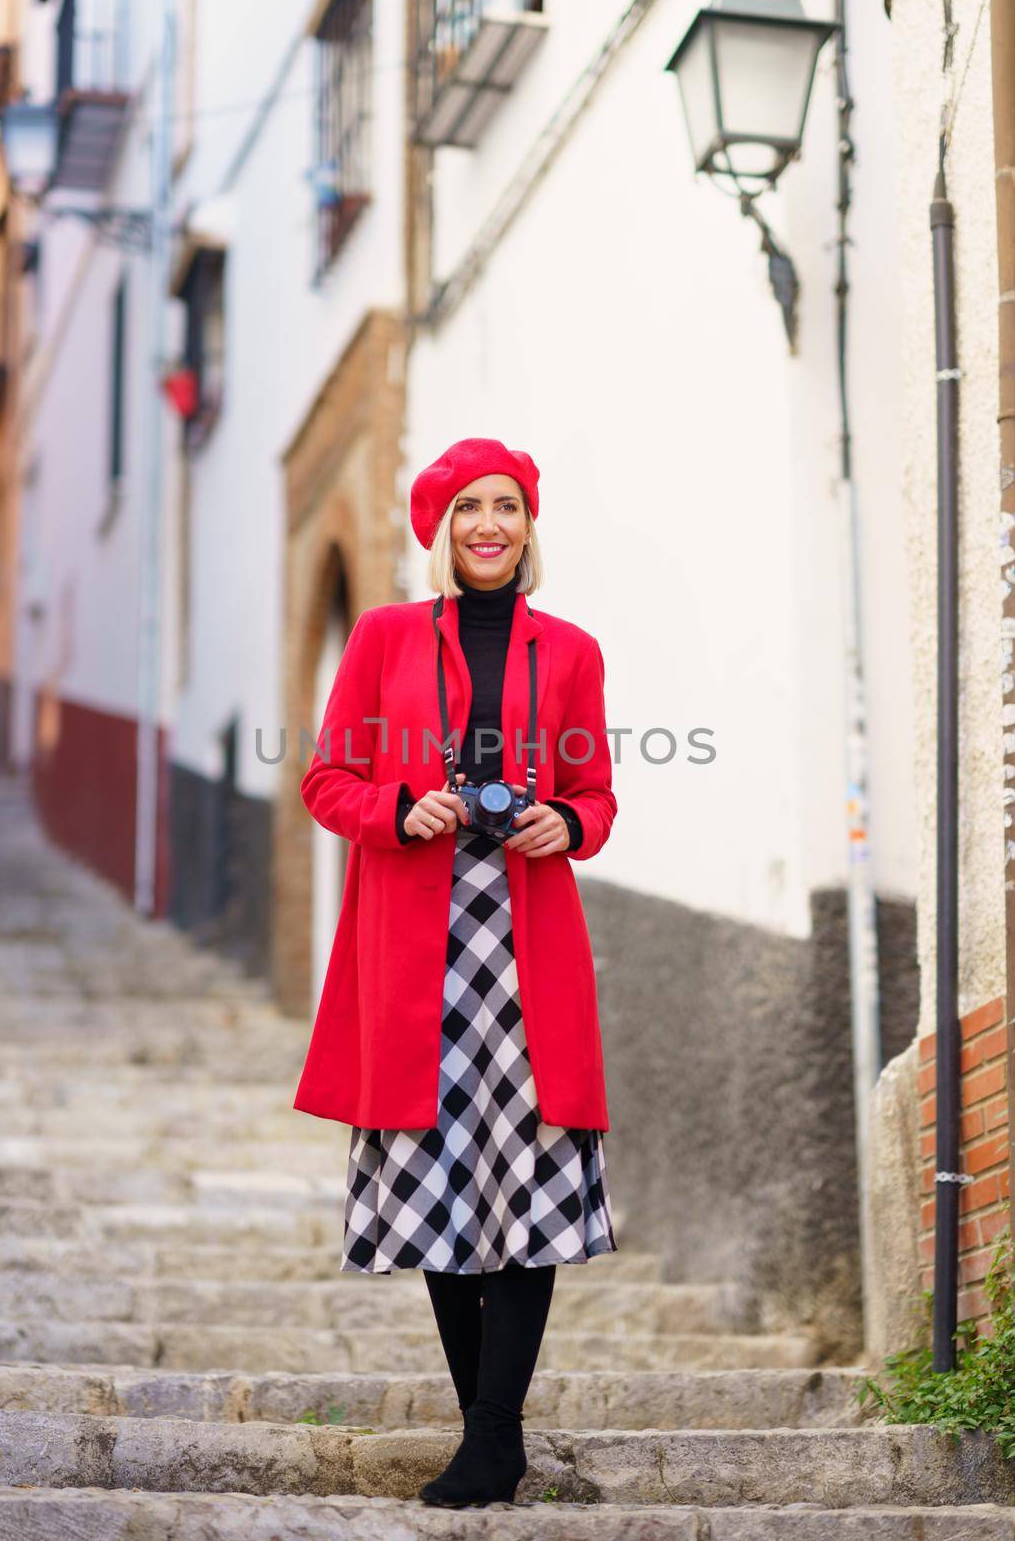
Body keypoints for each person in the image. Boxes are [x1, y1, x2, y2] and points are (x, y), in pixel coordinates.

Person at [294, 436, 618, 1507]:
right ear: (440, 528)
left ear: (529, 526)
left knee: (525, 1171)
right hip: (412, 935)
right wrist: (398, 806)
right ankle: (486, 1434)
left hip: (524, 935)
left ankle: (493, 1434)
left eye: (509, 507)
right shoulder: (386, 637)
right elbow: (328, 778)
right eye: (471, 507)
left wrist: (561, 820)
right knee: (435, 1173)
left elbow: (598, 798)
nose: (490, 524)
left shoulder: (568, 651)